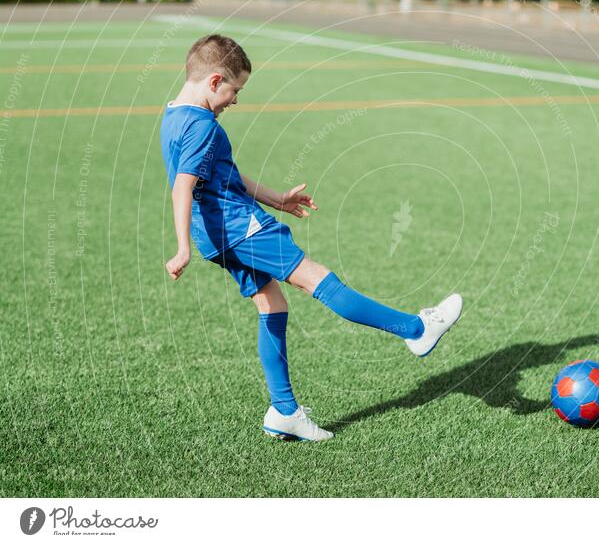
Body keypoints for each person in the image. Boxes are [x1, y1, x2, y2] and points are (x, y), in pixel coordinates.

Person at [160, 35, 462, 442]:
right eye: (235, 90)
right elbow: (183, 186)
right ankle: (416, 330)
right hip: (239, 227)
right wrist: (180, 248)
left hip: (217, 235)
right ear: (215, 81)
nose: (235, 100)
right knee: (316, 277)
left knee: (272, 304)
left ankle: (283, 411)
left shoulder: (175, 115)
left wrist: (276, 198)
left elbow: (221, 173)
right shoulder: (202, 126)